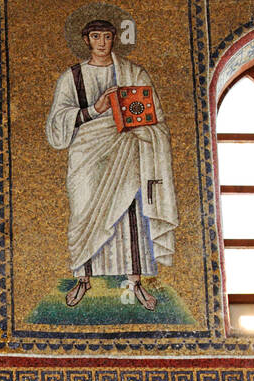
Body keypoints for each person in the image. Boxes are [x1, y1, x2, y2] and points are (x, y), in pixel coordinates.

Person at [45, 18, 177, 310]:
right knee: (83, 211)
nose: (102, 42)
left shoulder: (134, 73)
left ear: (114, 39)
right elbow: (56, 125)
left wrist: (139, 126)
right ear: (86, 39)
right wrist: (96, 108)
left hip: (127, 150)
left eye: (107, 36)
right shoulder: (73, 77)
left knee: (130, 213)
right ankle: (83, 277)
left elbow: (156, 118)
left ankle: (135, 282)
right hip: (86, 155)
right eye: (96, 36)